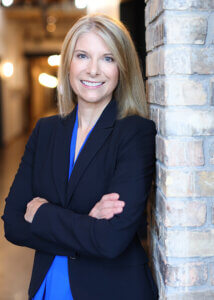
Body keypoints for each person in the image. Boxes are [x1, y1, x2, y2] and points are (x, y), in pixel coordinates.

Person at [2, 14, 158, 300]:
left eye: (108, 58)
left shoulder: (135, 133)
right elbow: (13, 223)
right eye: (83, 56)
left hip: (110, 290)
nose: (94, 70)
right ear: (68, 64)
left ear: (122, 67)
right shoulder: (45, 131)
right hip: (47, 288)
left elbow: (112, 240)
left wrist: (43, 214)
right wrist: (88, 221)